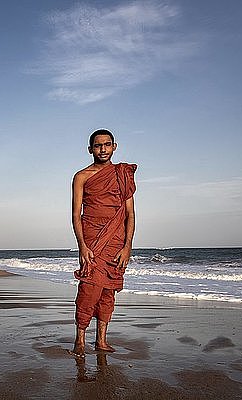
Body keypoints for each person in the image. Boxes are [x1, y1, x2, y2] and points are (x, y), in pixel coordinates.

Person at [70, 129, 137, 357]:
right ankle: (80, 339)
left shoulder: (122, 174)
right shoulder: (81, 177)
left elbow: (130, 214)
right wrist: (82, 246)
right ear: (90, 149)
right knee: (89, 288)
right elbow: (75, 214)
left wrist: (128, 246)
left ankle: (101, 340)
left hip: (116, 241)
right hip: (92, 240)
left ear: (114, 146)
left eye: (107, 145)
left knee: (108, 291)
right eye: (98, 146)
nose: (103, 149)